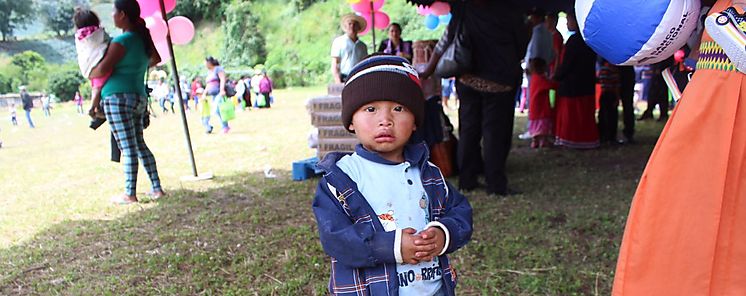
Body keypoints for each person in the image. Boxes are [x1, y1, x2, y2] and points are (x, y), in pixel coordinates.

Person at [312, 55, 473, 295]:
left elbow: (460, 212)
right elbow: (335, 238)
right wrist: (391, 247)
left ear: (416, 121)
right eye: (371, 109)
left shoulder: (429, 174)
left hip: (432, 288)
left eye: (398, 109)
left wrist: (443, 233)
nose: (385, 120)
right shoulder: (341, 179)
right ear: (351, 121)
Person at [420, 0, 528, 196]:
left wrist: (428, 70)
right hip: (499, 79)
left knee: (469, 130)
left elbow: (447, 39)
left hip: (467, 77)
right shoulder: (510, 9)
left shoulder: (463, 7)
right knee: (495, 134)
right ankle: (495, 184)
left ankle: (467, 179)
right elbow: (521, 45)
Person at [88, 0, 164, 204]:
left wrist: (89, 72)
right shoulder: (141, 38)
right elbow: (155, 59)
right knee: (139, 145)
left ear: (122, 14)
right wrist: (134, 67)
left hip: (117, 97)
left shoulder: (122, 41)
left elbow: (103, 69)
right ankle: (156, 188)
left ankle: (130, 193)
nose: (111, 15)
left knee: (128, 147)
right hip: (138, 95)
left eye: (113, 11)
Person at [552, 10, 599, 149]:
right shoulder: (589, 41)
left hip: (572, 85)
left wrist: (557, 76)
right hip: (586, 83)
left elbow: (567, 64)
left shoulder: (574, 41)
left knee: (573, 116)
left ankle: (572, 139)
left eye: (569, 20)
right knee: (584, 115)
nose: (567, 23)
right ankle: (586, 139)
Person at [73, 7, 110, 120]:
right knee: (99, 85)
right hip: (98, 62)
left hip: (87, 65)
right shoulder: (99, 32)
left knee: (95, 85)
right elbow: (108, 41)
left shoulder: (78, 36)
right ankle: (94, 106)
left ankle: (96, 107)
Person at [527, 58, 557, 148]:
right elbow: (551, 86)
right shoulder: (541, 79)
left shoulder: (533, 78)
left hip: (533, 108)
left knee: (535, 128)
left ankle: (535, 142)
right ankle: (543, 142)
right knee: (542, 127)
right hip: (541, 109)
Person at [331, 13, 368, 83]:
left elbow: (365, 64)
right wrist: (338, 82)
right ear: (345, 26)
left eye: (355, 24)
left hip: (359, 78)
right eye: (350, 24)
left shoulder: (363, 46)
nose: (352, 26)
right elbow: (335, 63)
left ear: (359, 27)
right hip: (344, 78)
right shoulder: (339, 42)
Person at [637, 57, 674, 121]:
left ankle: (662, 114)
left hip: (663, 66)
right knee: (654, 90)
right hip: (659, 66)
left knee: (661, 92)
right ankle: (651, 112)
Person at [201, 56, 230, 134]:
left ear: (209, 62)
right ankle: (224, 126)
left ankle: (225, 127)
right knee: (217, 111)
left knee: (218, 110)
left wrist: (222, 89)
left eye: (205, 63)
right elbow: (208, 84)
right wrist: (204, 94)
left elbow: (222, 79)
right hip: (213, 94)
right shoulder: (209, 72)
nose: (204, 64)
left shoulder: (218, 69)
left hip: (218, 92)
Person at [597, 58, 621, 144]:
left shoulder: (602, 69)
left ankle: (603, 136)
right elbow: (616, 84)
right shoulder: (613, 68)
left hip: (604, 94)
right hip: (611, 94)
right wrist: (617, 98)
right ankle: (611, 137)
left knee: (603, 115)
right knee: (612, 116)